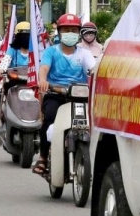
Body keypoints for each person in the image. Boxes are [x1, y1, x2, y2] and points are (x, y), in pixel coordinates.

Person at [33, 14, 96, 175]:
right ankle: (43, 157)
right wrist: (43, 80)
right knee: (49, 117)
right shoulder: (51, 52)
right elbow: (44, 68)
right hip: (56, 93)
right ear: (60, 33)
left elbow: (93, 69)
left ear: (79, 33)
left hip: (80, 95)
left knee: (91, 122)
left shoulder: (84, 53)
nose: (70, 33)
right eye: (66, 30)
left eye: (74, 30)